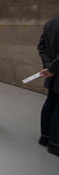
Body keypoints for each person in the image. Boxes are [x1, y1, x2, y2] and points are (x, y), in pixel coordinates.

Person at [37, 15, 59, 158]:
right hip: (55, 71)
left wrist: (48, 67)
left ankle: (45, 136)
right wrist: (52, 68)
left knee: (50, 101)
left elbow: (42, 47)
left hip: (52, 72)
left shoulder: (50, 23)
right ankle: (55, 143)